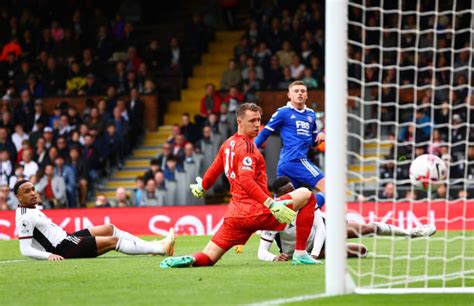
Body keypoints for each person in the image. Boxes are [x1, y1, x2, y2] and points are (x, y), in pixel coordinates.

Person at [160, 103, 319, 268]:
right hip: (258, 211)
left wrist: (203, 187)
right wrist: (271, 204)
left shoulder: (228, 144)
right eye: (252, 121)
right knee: (307, 195)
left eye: (258, 120)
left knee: (209, 256)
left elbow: (214, 170)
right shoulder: (248, 147)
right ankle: (300, 254)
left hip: (235, 216)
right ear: (239, 121)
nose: (257, 125)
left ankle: (190, 259)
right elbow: (246, 180)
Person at [258, 176, 437, 262]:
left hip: (319, 240)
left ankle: (411, 233)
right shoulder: (273, 215)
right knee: (362, 251)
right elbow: (262, 252)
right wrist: (274, 258)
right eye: (287, 192)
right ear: (278, 196)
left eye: (293, 190)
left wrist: (312, 256)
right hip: (303, 249)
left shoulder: (305, 199)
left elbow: (321, 228)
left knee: (367, 229)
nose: (293, 194)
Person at [14, 179, 175, 261]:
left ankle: (153, 246)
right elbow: (25, 249)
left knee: (109, 228)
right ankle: (161, 249)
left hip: (67, 238)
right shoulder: (25, 217)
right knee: (113, 241)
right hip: (62, 248)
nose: (33, 193)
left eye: (33, 189)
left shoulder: (32, 209)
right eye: (27, 191)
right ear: (18, 197)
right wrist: (48, 256)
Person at [254, 81, 326, 194]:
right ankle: (318, 210)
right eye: (296, 91)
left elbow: (313, 142)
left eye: (303, 91)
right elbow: (265, 133)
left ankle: (312, 211)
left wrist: (320, 136)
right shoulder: (283, 112)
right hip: (295, 160)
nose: (300, 93)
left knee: (286, 205)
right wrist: (251, 149)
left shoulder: (311, 114)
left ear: (307, 95)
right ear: (289, 95)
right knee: (327, 187)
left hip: (287, 164)